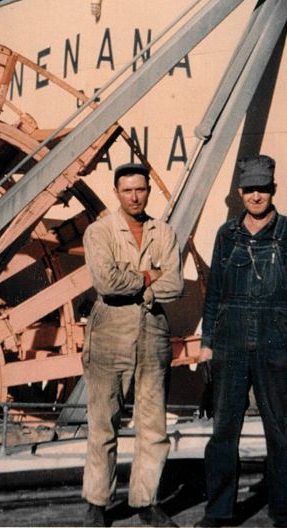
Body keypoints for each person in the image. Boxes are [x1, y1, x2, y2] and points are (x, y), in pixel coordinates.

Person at [197, 155, 287, 528]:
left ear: (273, 190)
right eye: (249, 189)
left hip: (276, 343)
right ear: (239, 192)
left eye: (262, 189)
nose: (256, 196)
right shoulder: (226, 235)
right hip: (229, 343)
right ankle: (218, 511)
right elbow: (214, 292)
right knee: (223, 432)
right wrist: (207, 342)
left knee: (280, 431)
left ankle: (285, 513)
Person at [81, 162, 184, 527]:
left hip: (153, 332)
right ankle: (97, 503)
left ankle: (146, 502)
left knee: (153, 425)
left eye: (140, 189)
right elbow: (106, 284)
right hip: (109, 331)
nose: (135, 196)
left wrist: (143, 284)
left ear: (148, 191)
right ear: (117, 193)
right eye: (127, 190)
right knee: (103, 423)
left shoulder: (164, 232)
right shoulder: (99, 232)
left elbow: (176, 285)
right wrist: (149, 277)